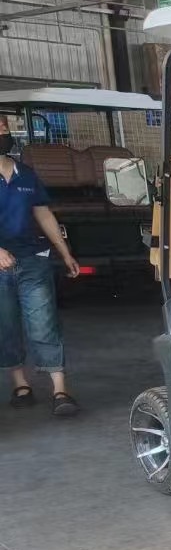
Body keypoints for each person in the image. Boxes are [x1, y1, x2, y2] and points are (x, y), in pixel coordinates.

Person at [0, 116, 81, 416]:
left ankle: (60, 390)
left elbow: (43, 214)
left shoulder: (26, 175)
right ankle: (21, 385)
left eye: (5, 128)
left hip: (33, 258)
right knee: (6, 324)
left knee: (44, 322)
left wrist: (65, 252)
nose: (3, 133)